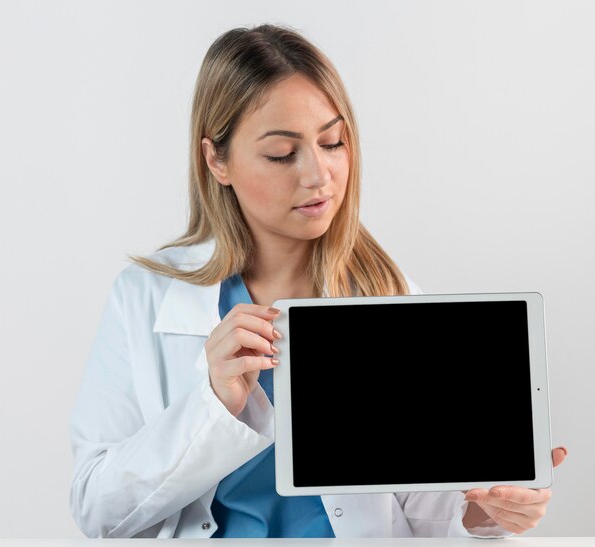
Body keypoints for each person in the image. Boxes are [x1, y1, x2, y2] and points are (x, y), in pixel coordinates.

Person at [68, 23, 567, 539]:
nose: (319, 175)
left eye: (332, 142)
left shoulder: (393, 297)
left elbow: (427, 512)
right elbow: (96, 511)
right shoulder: (144, 298)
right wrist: (212, 403)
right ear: (217, 159)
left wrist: (486, 513)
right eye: (283, 153)